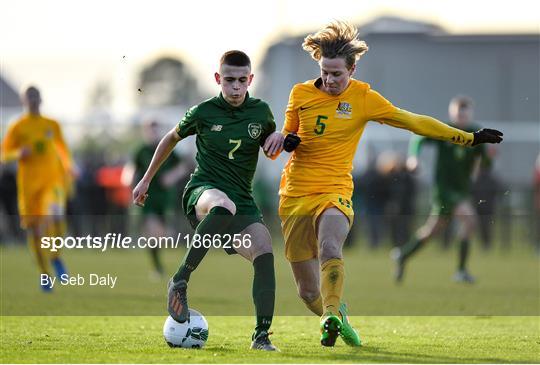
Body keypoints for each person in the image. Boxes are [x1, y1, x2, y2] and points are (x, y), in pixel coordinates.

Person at [277, 21, 503, 347]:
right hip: (295, 194)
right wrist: (286, 141)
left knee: (330, 247)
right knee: (307, 291)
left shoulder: (364, 98)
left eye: (337, 74)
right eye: (325, 72)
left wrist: (467, 138)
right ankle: (337, 316)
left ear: (352, 69)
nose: (329, 80)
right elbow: (287, 134)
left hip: (335, 190)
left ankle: (329, 316)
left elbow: (414, 122)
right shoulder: (300, 93)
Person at [133, 50, 292, 351]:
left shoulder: (261, 112)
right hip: (203, 192)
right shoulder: (204, 111)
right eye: (229, 80)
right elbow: (170, 138)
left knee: (265, 251)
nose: (235, 87)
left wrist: (279, 141)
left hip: (242, 199)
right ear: (218, 79)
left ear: (250, 80)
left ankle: (261, 336)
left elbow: (271, 150)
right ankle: (179, 281)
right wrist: (146, 179)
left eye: (241, 81)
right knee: (223, 205)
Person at [393, 96, 493, 284]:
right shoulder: (445, 130)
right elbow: (419, 137)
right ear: (451, 113)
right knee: (470, 220)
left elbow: (486, 161)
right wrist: (413, 158)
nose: (461, 118)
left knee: (432, 231)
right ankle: (461, 271)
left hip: (462, 189)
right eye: (458, 114)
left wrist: (489, 157)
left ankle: (403, 255)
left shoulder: (475, 132)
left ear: (470, 114)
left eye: (464, 114)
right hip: (444, 189)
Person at [1, 86, 75, 291]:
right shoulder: (17, 127)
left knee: (56, 215)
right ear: (23, 101)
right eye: (29, 97)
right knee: (35, 233)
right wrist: (17, 154)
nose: (33, 100)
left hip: (52, 183)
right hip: (28, 187)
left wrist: (70, 167)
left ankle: (56, 256)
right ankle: (44, 274)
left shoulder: (52, 125)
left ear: (41, 99)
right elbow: (3, 154)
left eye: (36, 97)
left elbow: (63, 150)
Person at [123, 120, 192, 277]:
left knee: (161, 236)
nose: (153, 134)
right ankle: (157, 267)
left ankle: (158, 265)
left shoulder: (168, 148)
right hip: (147, 198)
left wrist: (171, 176)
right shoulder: (141, 150)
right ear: (145, 132)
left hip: (165, 198)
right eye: (150, 131)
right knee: (153, 232)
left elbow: (183, 166)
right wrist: (129, 181)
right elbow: (131, 169)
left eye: (155, 130)